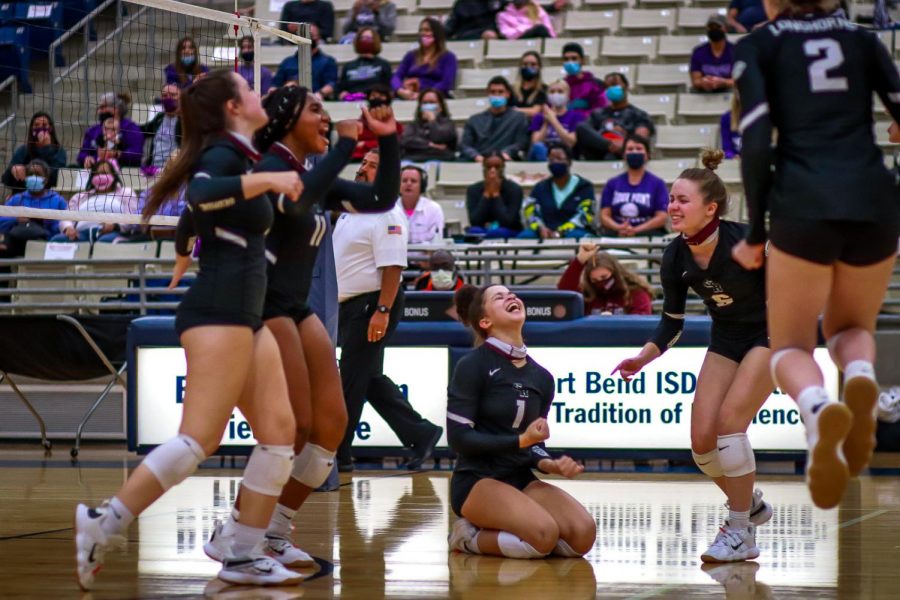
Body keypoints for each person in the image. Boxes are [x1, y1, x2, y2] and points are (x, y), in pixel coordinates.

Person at [74, 70, 306, 590]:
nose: (258, 93)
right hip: (219, 312)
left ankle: (242, 551)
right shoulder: (222, 156)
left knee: (278, 434)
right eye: (248, 88)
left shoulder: (240, 155)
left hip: (247, 313)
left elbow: (197, 214)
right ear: (231, 107)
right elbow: (203, 197)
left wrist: (183, 248)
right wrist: (268, 181)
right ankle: (101, 522)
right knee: (198, 439)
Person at [202, 86, 403, 570]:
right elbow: (296, 204)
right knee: (292, 428)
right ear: (287, 117)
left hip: (296, 304)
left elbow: (381, 196)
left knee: (331, 427)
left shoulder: (311, 174)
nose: (327, 119)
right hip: (261, 305)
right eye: (316, 110)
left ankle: (273, 531)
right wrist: (344, 148)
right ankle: (237, 534)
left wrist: (390, 141)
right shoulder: (264, 165)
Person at [731, 0, 900, 509]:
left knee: (791, 347)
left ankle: (818, 406)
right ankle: (863, 380)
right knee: (853, 328)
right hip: (874, 199)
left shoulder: (758, 44)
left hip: (802, 204)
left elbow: (756, 142)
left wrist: (756, 231)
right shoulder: (864, 37)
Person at [614, 151, 775, 562]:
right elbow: (672, 324)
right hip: (728, 338)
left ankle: (741, 531)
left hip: (772, 334)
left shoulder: (748, 241)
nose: (672, 206)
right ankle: (749, 505)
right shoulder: (674, 256)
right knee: (702, 445)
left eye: (682, 200)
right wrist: (643, 358)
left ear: (711, 208)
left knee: (729, 427)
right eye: (670, 199)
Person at [446, 284, 596, 560]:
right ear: (485, 321)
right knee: (542, 536)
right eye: (499, 297)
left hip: (520, 477)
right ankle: (468, 537)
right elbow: (459, 438)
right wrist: (520, 441)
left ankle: (515, 527)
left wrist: (549, 463)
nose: (511, 297)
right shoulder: (472, 365)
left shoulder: (541, 377)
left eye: (512, 294)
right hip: (478, 479)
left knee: (582, 536)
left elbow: (535, 445)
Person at [332, 164, 444, 472]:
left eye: (372, 165)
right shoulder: (350, 211)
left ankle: (337, 457)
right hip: (350, 306)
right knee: (368, 379)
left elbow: (393, 267)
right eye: (364, 163)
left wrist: (381, 311)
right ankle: (421, 433)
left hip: (373, 305)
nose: (363, 169)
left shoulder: (388, 215)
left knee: (351, 382)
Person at [51, 160, 140, 243]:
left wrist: (115, 225)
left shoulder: (126, 193)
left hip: (111, 232)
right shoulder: (79, 197)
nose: (100, 177)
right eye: (96, 174)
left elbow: (131, 217)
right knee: (57, 240)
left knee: (104, 242)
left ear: (113, 176)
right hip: (80, 234)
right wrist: (68, 228)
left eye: (104, 173)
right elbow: (66, 217)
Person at [598, 135, 669, 237]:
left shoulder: (658, 183)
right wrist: (619, 228)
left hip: (648, 235)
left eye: (639, 149)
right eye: (630, 149)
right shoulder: (612, 183)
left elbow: (662, 217)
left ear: (647, 154)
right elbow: (604, 216)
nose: (634, 152)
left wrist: (636, 230)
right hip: (616, 234)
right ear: (624, 155)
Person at [520, 144, 593, 239]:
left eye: (559, 158)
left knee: (576, 237)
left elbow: (586, 214)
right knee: (525, 237)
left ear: (569, 162)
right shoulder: (540, 187)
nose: (555, 162)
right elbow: (530, 210)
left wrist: (563, 231)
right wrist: (540, 227)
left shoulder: (584, 186)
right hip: (544, 232)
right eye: (551, 159)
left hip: (574, 231)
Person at [558, 243, 653, 316]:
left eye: (604, 277)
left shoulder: (636, 293)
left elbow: (640, 321)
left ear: (615, 272)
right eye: (595, 280)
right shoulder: (588, 295)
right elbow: (565, 293)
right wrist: (579, 260)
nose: (601, 283)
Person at [575, 72, 654, 161]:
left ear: (626, 86)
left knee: (610, 157)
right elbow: (584, 132)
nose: (611, 89)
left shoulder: (639, 115)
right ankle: (610, 146)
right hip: (597, 153)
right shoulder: (597, 114)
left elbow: (640, 140)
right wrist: (610, 144)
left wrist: (624, 141)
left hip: (622, 156)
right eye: (607, 87)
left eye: (615, 84)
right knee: (580, 127)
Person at [0, 159, 67, 256]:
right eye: (30, 174)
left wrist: (46, 221)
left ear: (46, 179)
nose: (33, 177)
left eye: (38, 175)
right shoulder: (17, 199)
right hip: (17, 238)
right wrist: (16, 219)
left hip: (44, 241)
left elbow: (64, 224)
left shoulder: (57, 200)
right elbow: (1, 220)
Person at [460, 77, 530, 162]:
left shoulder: (519, 118)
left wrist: (507, 153)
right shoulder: (474, 120)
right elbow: (465, 145)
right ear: (488, 94)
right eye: (493, 92)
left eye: (500, 92)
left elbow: (521, 143)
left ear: (507, 94)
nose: (496, 95)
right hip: (479, 162)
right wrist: (477, 157)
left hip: (506, 160)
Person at [392, 18, 458, 100]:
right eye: (421, 30)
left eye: (427, 30)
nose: (423, 33)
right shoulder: (411, 55)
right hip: (410, 95)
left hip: (436, 97)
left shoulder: (448, 57)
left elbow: (446, 82)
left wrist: (424, 94)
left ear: (436, 33)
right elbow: (397, 76)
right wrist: (400, 90)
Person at [2, 112, 66, 192]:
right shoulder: (23, 150)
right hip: (23, 196)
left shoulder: (59, 151)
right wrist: (12, 170)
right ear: (32, 128)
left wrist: (47, 148)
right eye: (36, 125)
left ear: (50, 128)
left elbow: (54, 178)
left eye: (44, 125)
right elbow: (6, 180)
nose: (40, 128)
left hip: (48, 197)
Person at [466, 153, 525, 239]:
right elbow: (474, 221)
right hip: (483, 230)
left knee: (498, 232)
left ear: (503, 168)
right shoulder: (473, 189)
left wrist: (496, 194)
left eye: (497, 167)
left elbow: (508, 222)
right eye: (489, 167)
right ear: (484, 169)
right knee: (474, 231)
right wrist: (486, 194)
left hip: (508, 230)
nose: (492, 170)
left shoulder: (514, 189)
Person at [77, 92, 144, 168]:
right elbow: (81, 155)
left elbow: (136, 153)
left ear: (116, 109)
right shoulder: (92, 130)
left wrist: (116, 154)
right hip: (96, 169)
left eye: (103, 107)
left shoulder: (131, 128)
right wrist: (87, 158)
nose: (99, 111)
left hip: (122, 170)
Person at [273, 24, 337, 99]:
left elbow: (331, 84)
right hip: (290, 102)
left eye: (311, 35)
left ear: (318, 38)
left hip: (318, 102)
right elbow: (275, 86)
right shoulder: (287, 62)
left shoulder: (328, 61)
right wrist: (285, 89)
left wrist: (320, 94)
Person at [529, 79, 585, 161]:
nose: (556, 94)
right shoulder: (539, 117)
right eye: (552, 92)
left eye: (560, 91)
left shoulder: (576, 116)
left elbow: (570, 143)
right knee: (538, 147)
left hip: (565, 154)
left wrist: (554, 121)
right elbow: (536, 143)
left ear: (568, 95)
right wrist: (545, 122)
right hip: (543, 154)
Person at [400, 88, 457, 162]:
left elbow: (439, 138)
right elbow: (406, 141)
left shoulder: (448, 124)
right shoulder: (413, 125)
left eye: (432, 102)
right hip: (414, 157)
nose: (428, 106)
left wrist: (432, 121)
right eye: (425, 103)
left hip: (439, 158)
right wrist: (430, 145)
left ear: (440, 107)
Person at [336, 27, 393, 100]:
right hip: (351, 102)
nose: (365, 40)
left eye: (368, 38)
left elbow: (388, 89)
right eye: (362, 38)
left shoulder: (383, 65)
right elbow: (340, 90)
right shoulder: (348, 66)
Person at [353, 85, 404, 160]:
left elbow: (395, 146)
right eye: (373, 95)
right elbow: (353, 147)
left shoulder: (397, 126)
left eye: (381, 95)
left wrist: (366, 144)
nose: (377, 98)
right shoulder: (357, 125)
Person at [397, 165, 444, 243]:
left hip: (424, 255)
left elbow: (436, 243)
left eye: (413, 181)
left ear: (422, 186)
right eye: (404, 180)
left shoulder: (434, 209)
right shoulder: (390, 209)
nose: (408, 184)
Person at [142, 84, 182, 173]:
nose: (168, 98)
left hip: (174, 169)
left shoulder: (186, 120)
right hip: (154, 169)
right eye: (165, 95)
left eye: (173, 95)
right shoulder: (159, 117)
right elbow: (143, 130)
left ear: (181, 97)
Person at [690, 15, 735, 93]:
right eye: (711, 27)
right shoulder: (698, 52)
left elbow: (740, 81)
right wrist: (703, 82)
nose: (714, 30)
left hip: (729, 91)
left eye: (718, 27)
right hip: (705, 92)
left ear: (725, 28)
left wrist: (723, 82)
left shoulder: (735, 51)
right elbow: (696, 80)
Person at [561, 42, 606, 119]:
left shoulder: (594, 84)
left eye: (574, 58)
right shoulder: (560, 85)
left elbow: (601, 109)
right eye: (566, 59)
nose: (570, 62)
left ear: (582, 60)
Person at [511, 51, 548, 119]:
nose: (528, 67)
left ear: (539, 67)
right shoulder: (512, 89)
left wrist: (514, 111)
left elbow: (535, 112)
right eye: (525, 64)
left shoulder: (543, 89)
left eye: (533, 64)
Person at [721, 92, 741, 159]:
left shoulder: (761, 117)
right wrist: (732, 156)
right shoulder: (726, 117)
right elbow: (726, 148)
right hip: (735, 161)